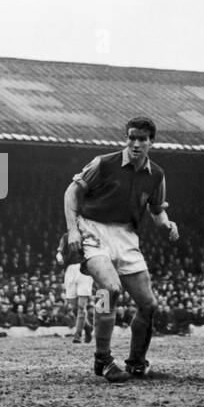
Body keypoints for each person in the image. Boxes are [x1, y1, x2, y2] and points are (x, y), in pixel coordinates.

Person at [63, 117, 179, 383]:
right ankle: (102, 358)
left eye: (142, 139)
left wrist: (167, 224)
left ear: (152, 141)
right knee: (110, 290)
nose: (136, 143)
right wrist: (73, 229)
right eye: (132, 137)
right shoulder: (103, 163)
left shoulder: (157, 175)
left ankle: (137, 362)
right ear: (126, 138)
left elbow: (157, 211)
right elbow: (72, 191)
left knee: (149, 305)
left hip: (127, 237)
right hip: (94, 230)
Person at [56, 233, 94, 344]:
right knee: (74, 307)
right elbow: (59, 252)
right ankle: (88, 327)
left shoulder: (89, 234)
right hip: (70, 270)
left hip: (85, 269)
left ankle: (77, 335)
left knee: (82, 307)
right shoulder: (66, 236)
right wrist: (60, 259)